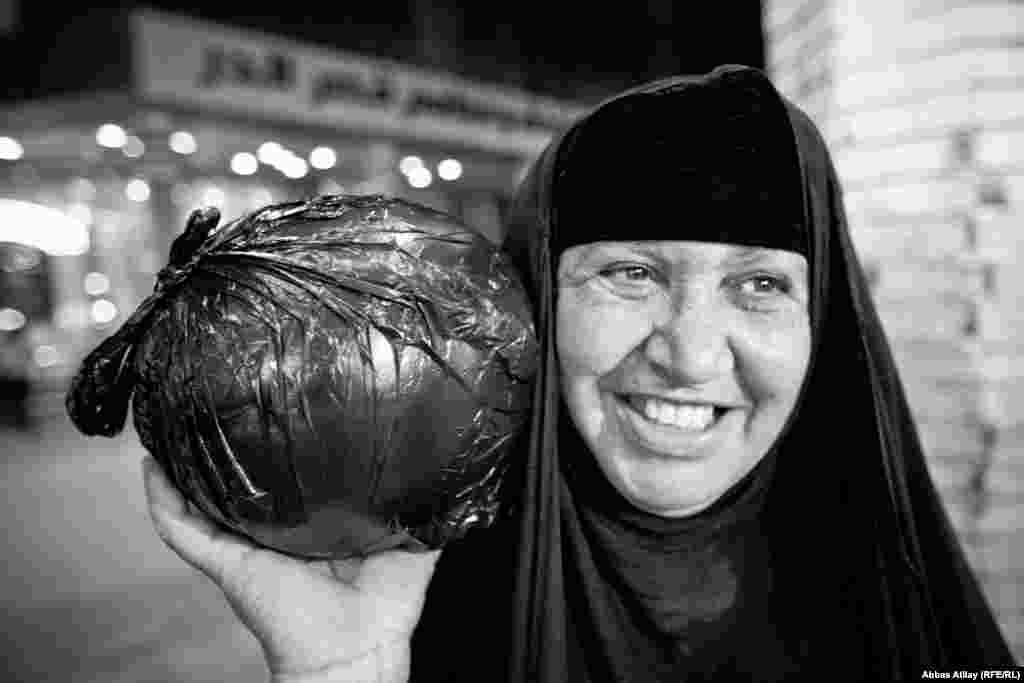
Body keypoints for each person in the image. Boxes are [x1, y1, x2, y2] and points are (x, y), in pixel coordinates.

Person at [143, 64, 1015, 682]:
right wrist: (345, 672)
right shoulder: (416, 609)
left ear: (824, 319)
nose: (692, 353)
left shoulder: (919, 628)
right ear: (537, 305)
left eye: (759, 284)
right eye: (629, 274)